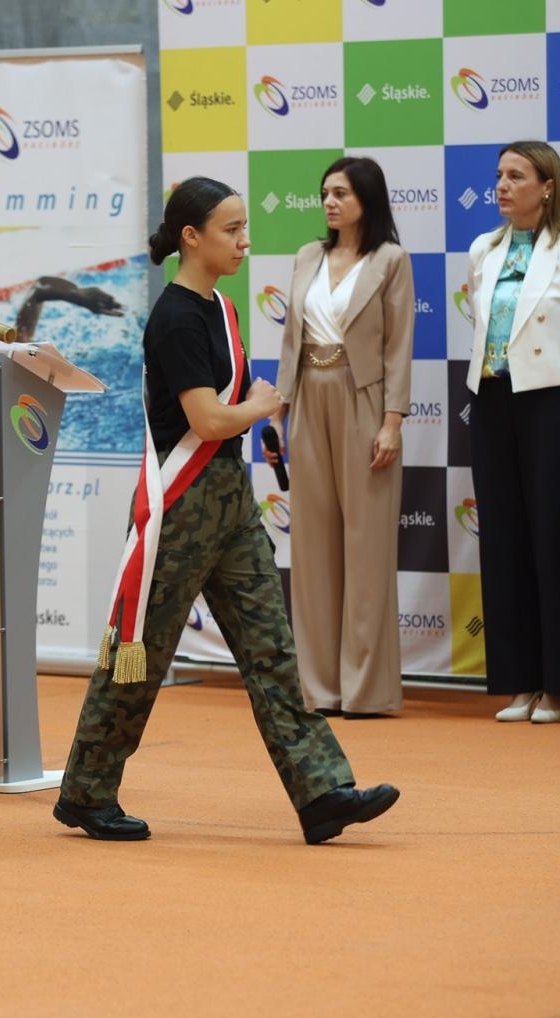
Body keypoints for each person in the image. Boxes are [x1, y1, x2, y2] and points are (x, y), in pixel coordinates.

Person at [54, 177, 400, 845]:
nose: (245, 241)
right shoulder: (175, 317)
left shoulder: (222, 307)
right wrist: (261, 406)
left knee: (272, 648)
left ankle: (321, 791)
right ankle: (86, 791)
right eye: (231, 230)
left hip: (230, 503)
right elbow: (208, 420)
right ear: (192, 237)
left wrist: (252, 416)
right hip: (181, 507)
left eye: (244, 227)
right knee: (139, 654)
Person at [464, 141, 560, 724]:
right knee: (502, 541)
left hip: (555, 401)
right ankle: (518, 681)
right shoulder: (482, 248)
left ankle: (559, 685)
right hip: (491, 399)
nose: (502, 185)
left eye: (516, 176)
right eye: (499, 175)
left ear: (548, 187)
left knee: (554, 541)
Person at [266, 157, 412, 718]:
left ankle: (367, 691)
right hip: (307, 396)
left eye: (341, 193)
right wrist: (277, 413)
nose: (329, 202)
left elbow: (398, 345)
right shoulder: (308, 255)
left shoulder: (390, 259)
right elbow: (290, 341)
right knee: (312, 548)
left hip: (364, 400)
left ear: (366, 200)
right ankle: (318, 687)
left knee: (367, 546)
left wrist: (392, 421)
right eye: (325, 192)